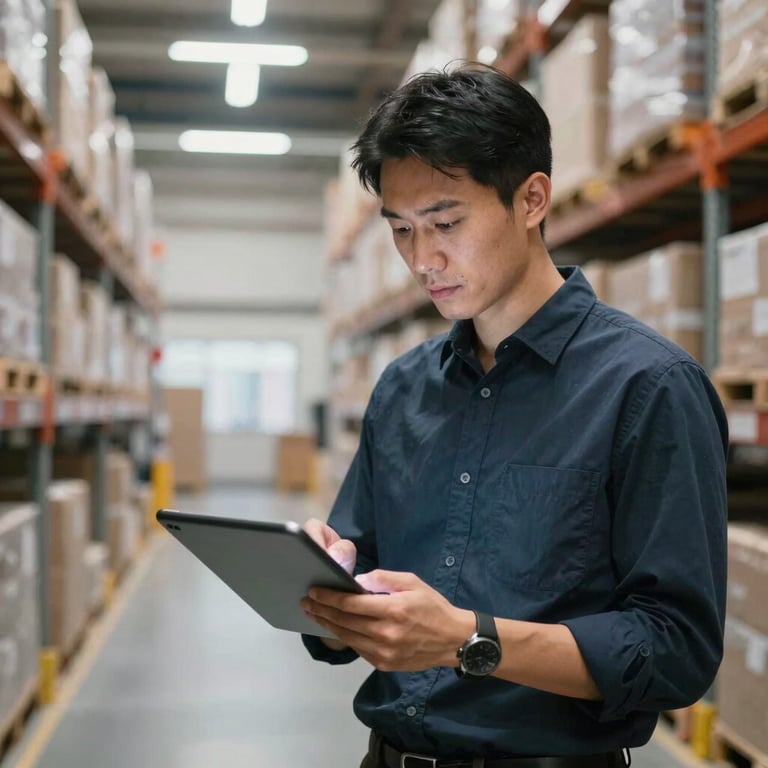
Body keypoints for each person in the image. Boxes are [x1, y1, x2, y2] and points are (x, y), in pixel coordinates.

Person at [300, 63, 728, 768]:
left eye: (445, 222)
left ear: (532, 200)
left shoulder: (648, 387)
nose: (423, 259)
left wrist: (463, 638)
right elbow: (361, 571)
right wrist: (330, 584)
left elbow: (675, 649)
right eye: (401, 230)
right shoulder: (403, 389)